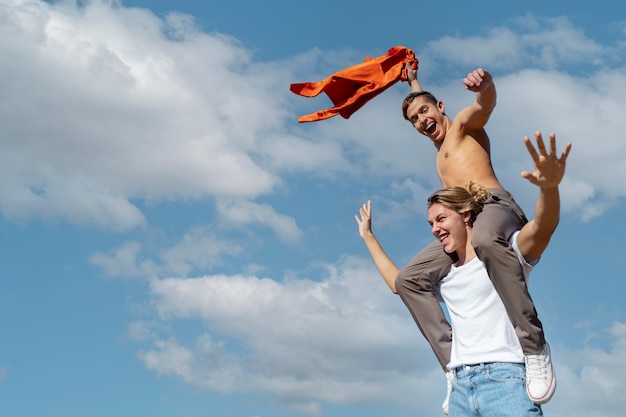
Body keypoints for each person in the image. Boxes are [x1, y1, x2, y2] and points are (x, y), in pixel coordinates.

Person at [356, 132, 571, 416]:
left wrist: (550, 188)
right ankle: (448, 367)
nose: (435, 229)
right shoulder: (445, 275)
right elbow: (400, 284)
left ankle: (537, 349)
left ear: (466, 215)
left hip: (506, 379)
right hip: (460, 387)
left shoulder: (505, 254)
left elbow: (543, 226)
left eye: (441, 219)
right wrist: (368, 236)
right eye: (431, 223)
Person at [393, 64, 555, 411]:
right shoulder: (440, 153)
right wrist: (413, 85)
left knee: (483, 240)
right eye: (414, 120)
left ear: (442, 107)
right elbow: (421, 105)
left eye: (425, 111)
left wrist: (487, 86)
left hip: (494, 208)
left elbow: (484, 106)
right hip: (464, 220)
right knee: (409, 280)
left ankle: (534, 347)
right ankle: (455, 364)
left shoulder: (463, 128)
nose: (421, 120)